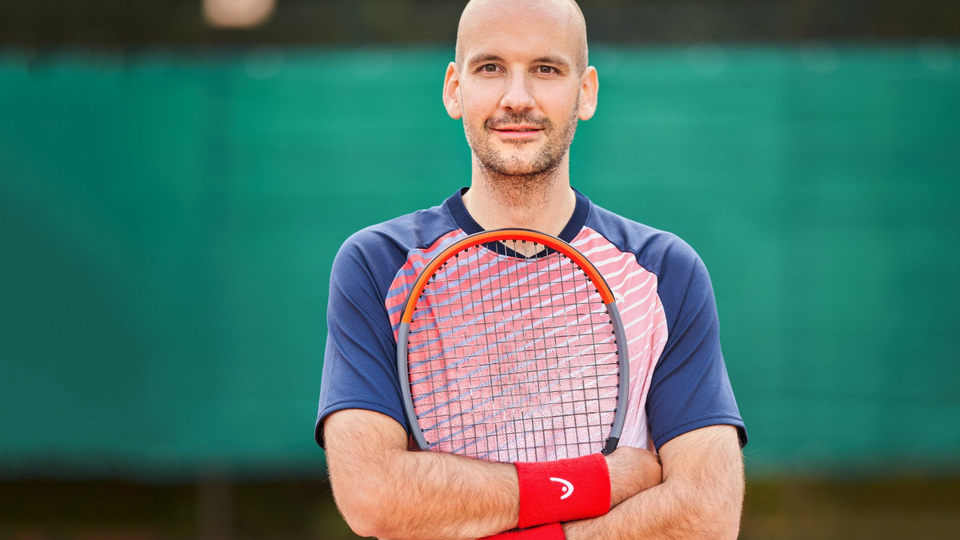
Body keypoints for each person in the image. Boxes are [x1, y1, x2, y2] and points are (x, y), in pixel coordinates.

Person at [315, 0, 747, 538]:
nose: (516, 98)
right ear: (455, 89)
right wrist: (597, 482)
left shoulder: (665, 271)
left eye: (545, 69)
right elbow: (374, 494)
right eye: (490, 67)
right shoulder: (377, 265)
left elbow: (707, 512)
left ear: (585, 92)